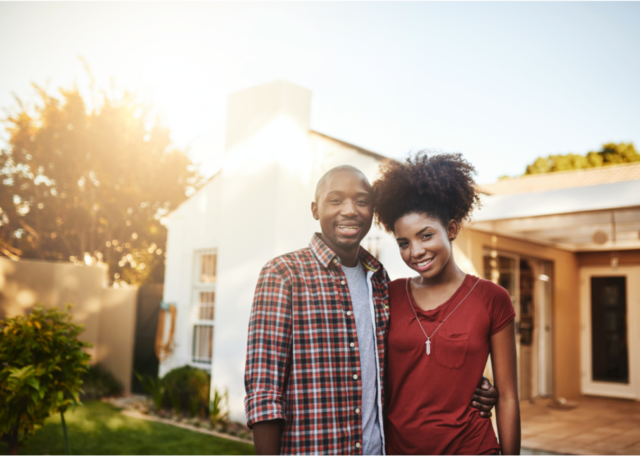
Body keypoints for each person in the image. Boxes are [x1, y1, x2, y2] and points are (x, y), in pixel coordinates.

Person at [245, 165, 499, 455]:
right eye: (336, 200)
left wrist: (472, 386)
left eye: (362, 201)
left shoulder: (380, 280)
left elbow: (407, 364)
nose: (350, 210)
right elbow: (264, 391)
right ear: (315, 209)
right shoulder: (284, 274)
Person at [372, 153, 521, 455]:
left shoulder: (492, 298)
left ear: (451, 230)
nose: (416, 251)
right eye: (404, 243)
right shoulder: (389, 295)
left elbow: (507, 397)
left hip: (473, 447)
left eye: (425, 235)